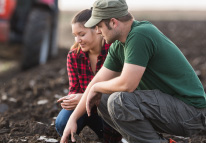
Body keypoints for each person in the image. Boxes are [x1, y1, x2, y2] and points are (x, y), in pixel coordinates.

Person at [60, 0, 206, 143]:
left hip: (192, 113)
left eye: (99, 26)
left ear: (113, 22)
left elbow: (127, 84)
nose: (97, 31)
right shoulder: (118, 45)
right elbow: (97, 81)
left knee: (119, 101)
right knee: (103, 100)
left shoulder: (140, 35)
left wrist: (97, 88)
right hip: (169, 108)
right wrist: (72, 119)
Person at [55, 9, 122, 143]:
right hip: (85, 110)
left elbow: (120, 89)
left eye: (82, 34)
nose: (77, 40)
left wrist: (84, 98)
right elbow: (75, 89)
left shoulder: (113, 51)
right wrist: (73, 98)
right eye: (75, 35)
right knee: (62, 123)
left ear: (97, 30)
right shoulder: (74, 56)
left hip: (109, 110)